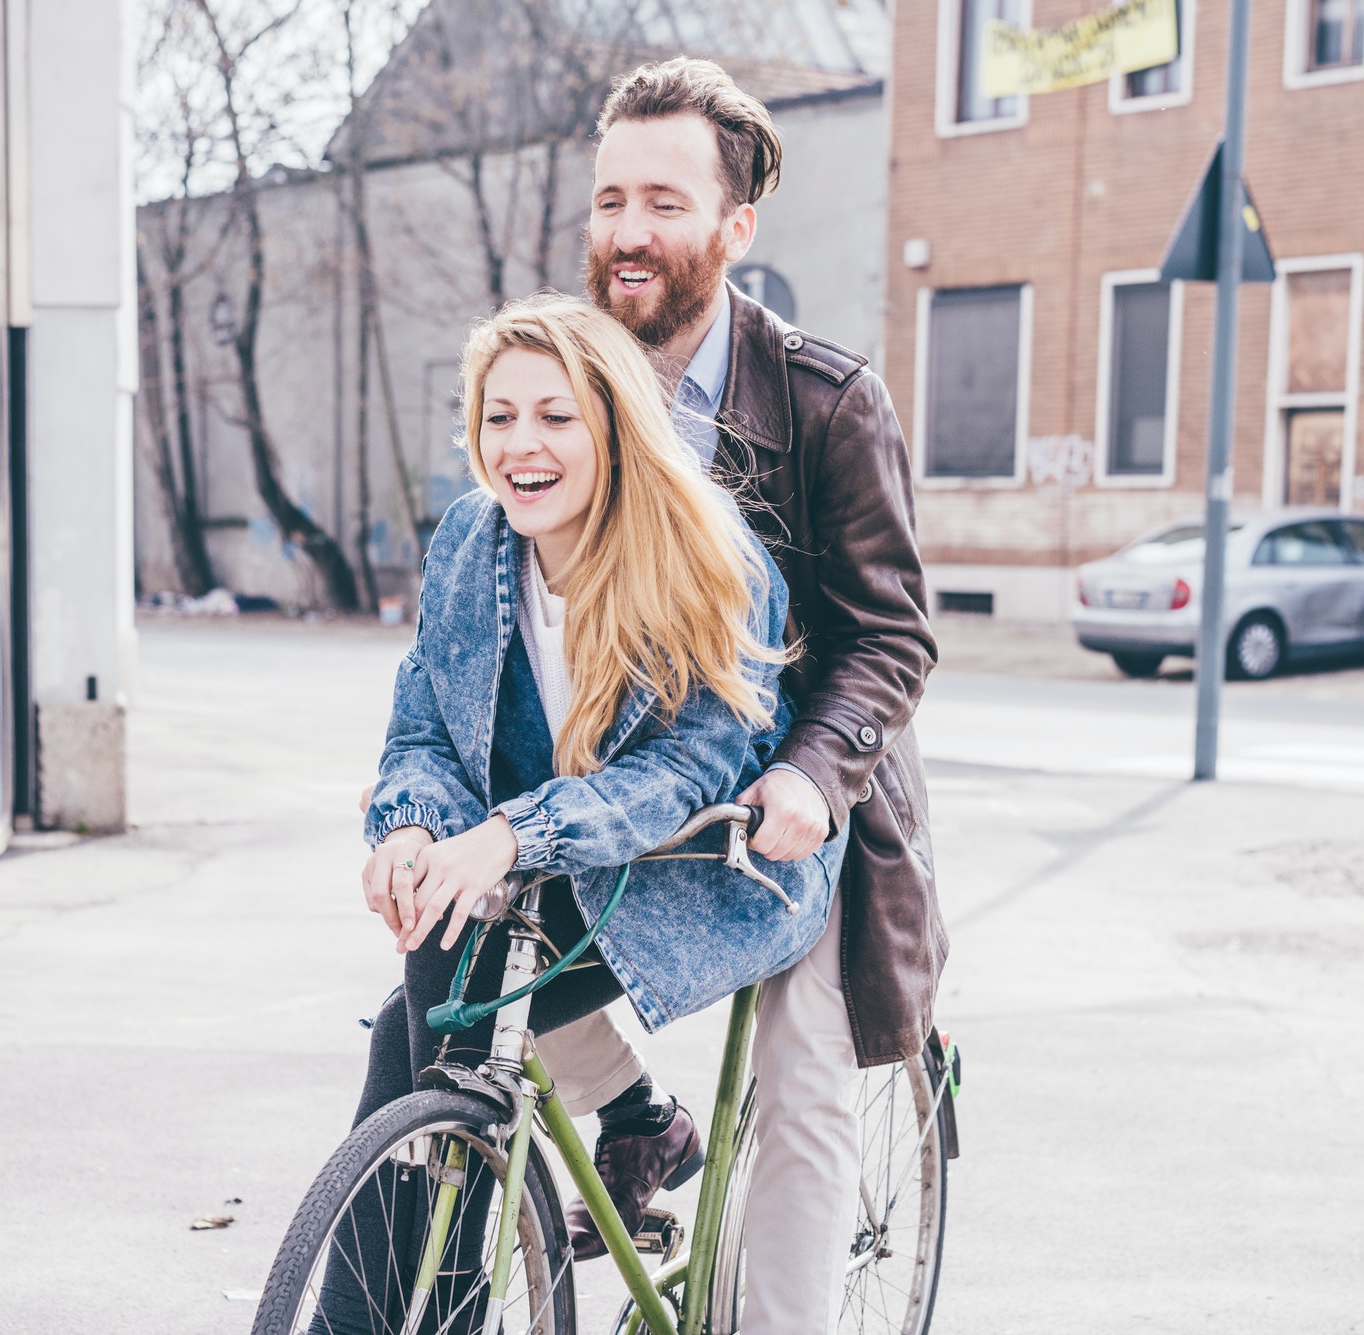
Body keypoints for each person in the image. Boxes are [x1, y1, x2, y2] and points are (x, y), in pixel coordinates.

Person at [319, 293, 848, 1332]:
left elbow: (697, 764)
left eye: (554, 417)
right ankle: (420, 1290)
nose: (521, 444)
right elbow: (423, 720)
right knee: (440, 1008)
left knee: (430, 1013)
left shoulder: (706, 550)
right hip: (538, 856)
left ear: (612, 421)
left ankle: (417, 1311)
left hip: (697, 865)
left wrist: (516, 835)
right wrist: (413, 828)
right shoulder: (473, 540)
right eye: (498, 416)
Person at [529, 58, 946, 1332]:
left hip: (798, 806)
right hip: (633, 779)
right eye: (608, 202)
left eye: (662, 201)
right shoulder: (572, 389)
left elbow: (891, 635)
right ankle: (638, 1120)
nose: (626, 233)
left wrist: (815, 780)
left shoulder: (826, 401)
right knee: (467, 977)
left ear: (732, 228)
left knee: (805, 1070)